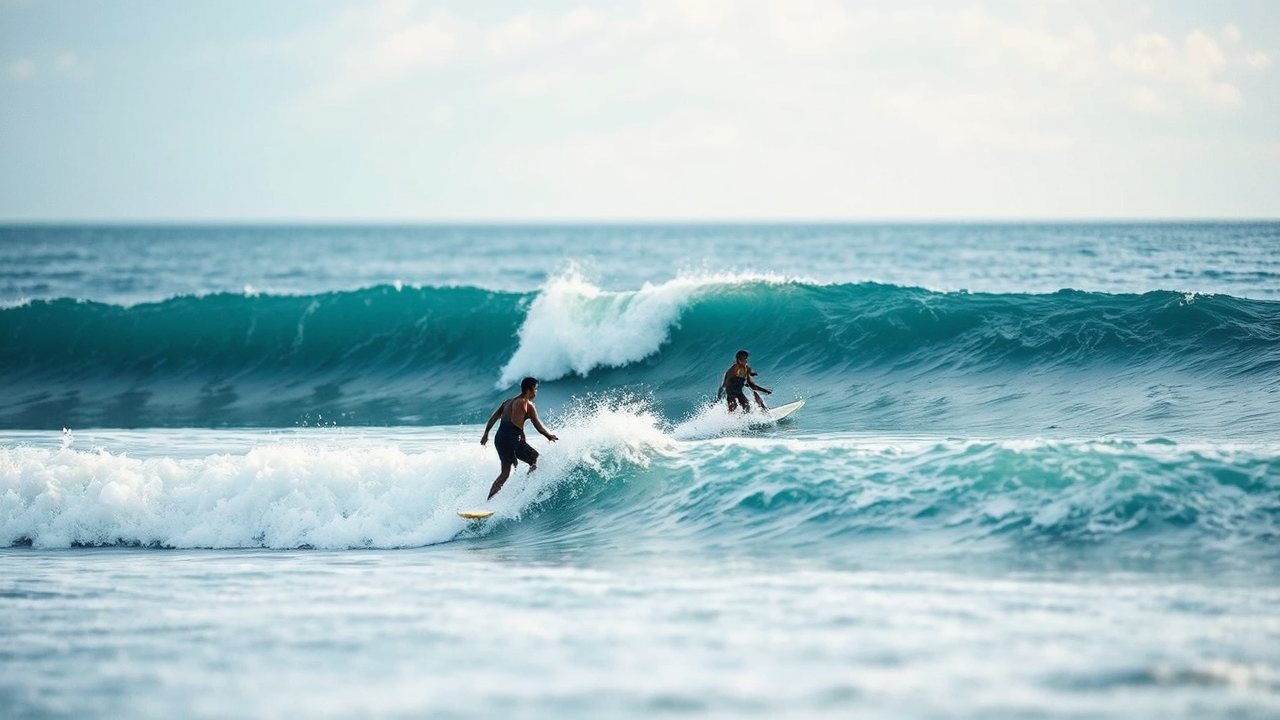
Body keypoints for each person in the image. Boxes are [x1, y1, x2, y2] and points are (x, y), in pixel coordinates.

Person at [480, 376, 558, 500]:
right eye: (535, 389)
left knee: (505, 472)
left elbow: (494, 418)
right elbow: (537, 425)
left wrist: (486, 434)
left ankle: (488, 501)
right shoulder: (527, 404)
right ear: (530, 389)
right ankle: (524, 490)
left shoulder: (507, 402)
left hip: (499, 438)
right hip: (511, 439)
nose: (536, 392)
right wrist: (548, 436)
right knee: (535, 458)